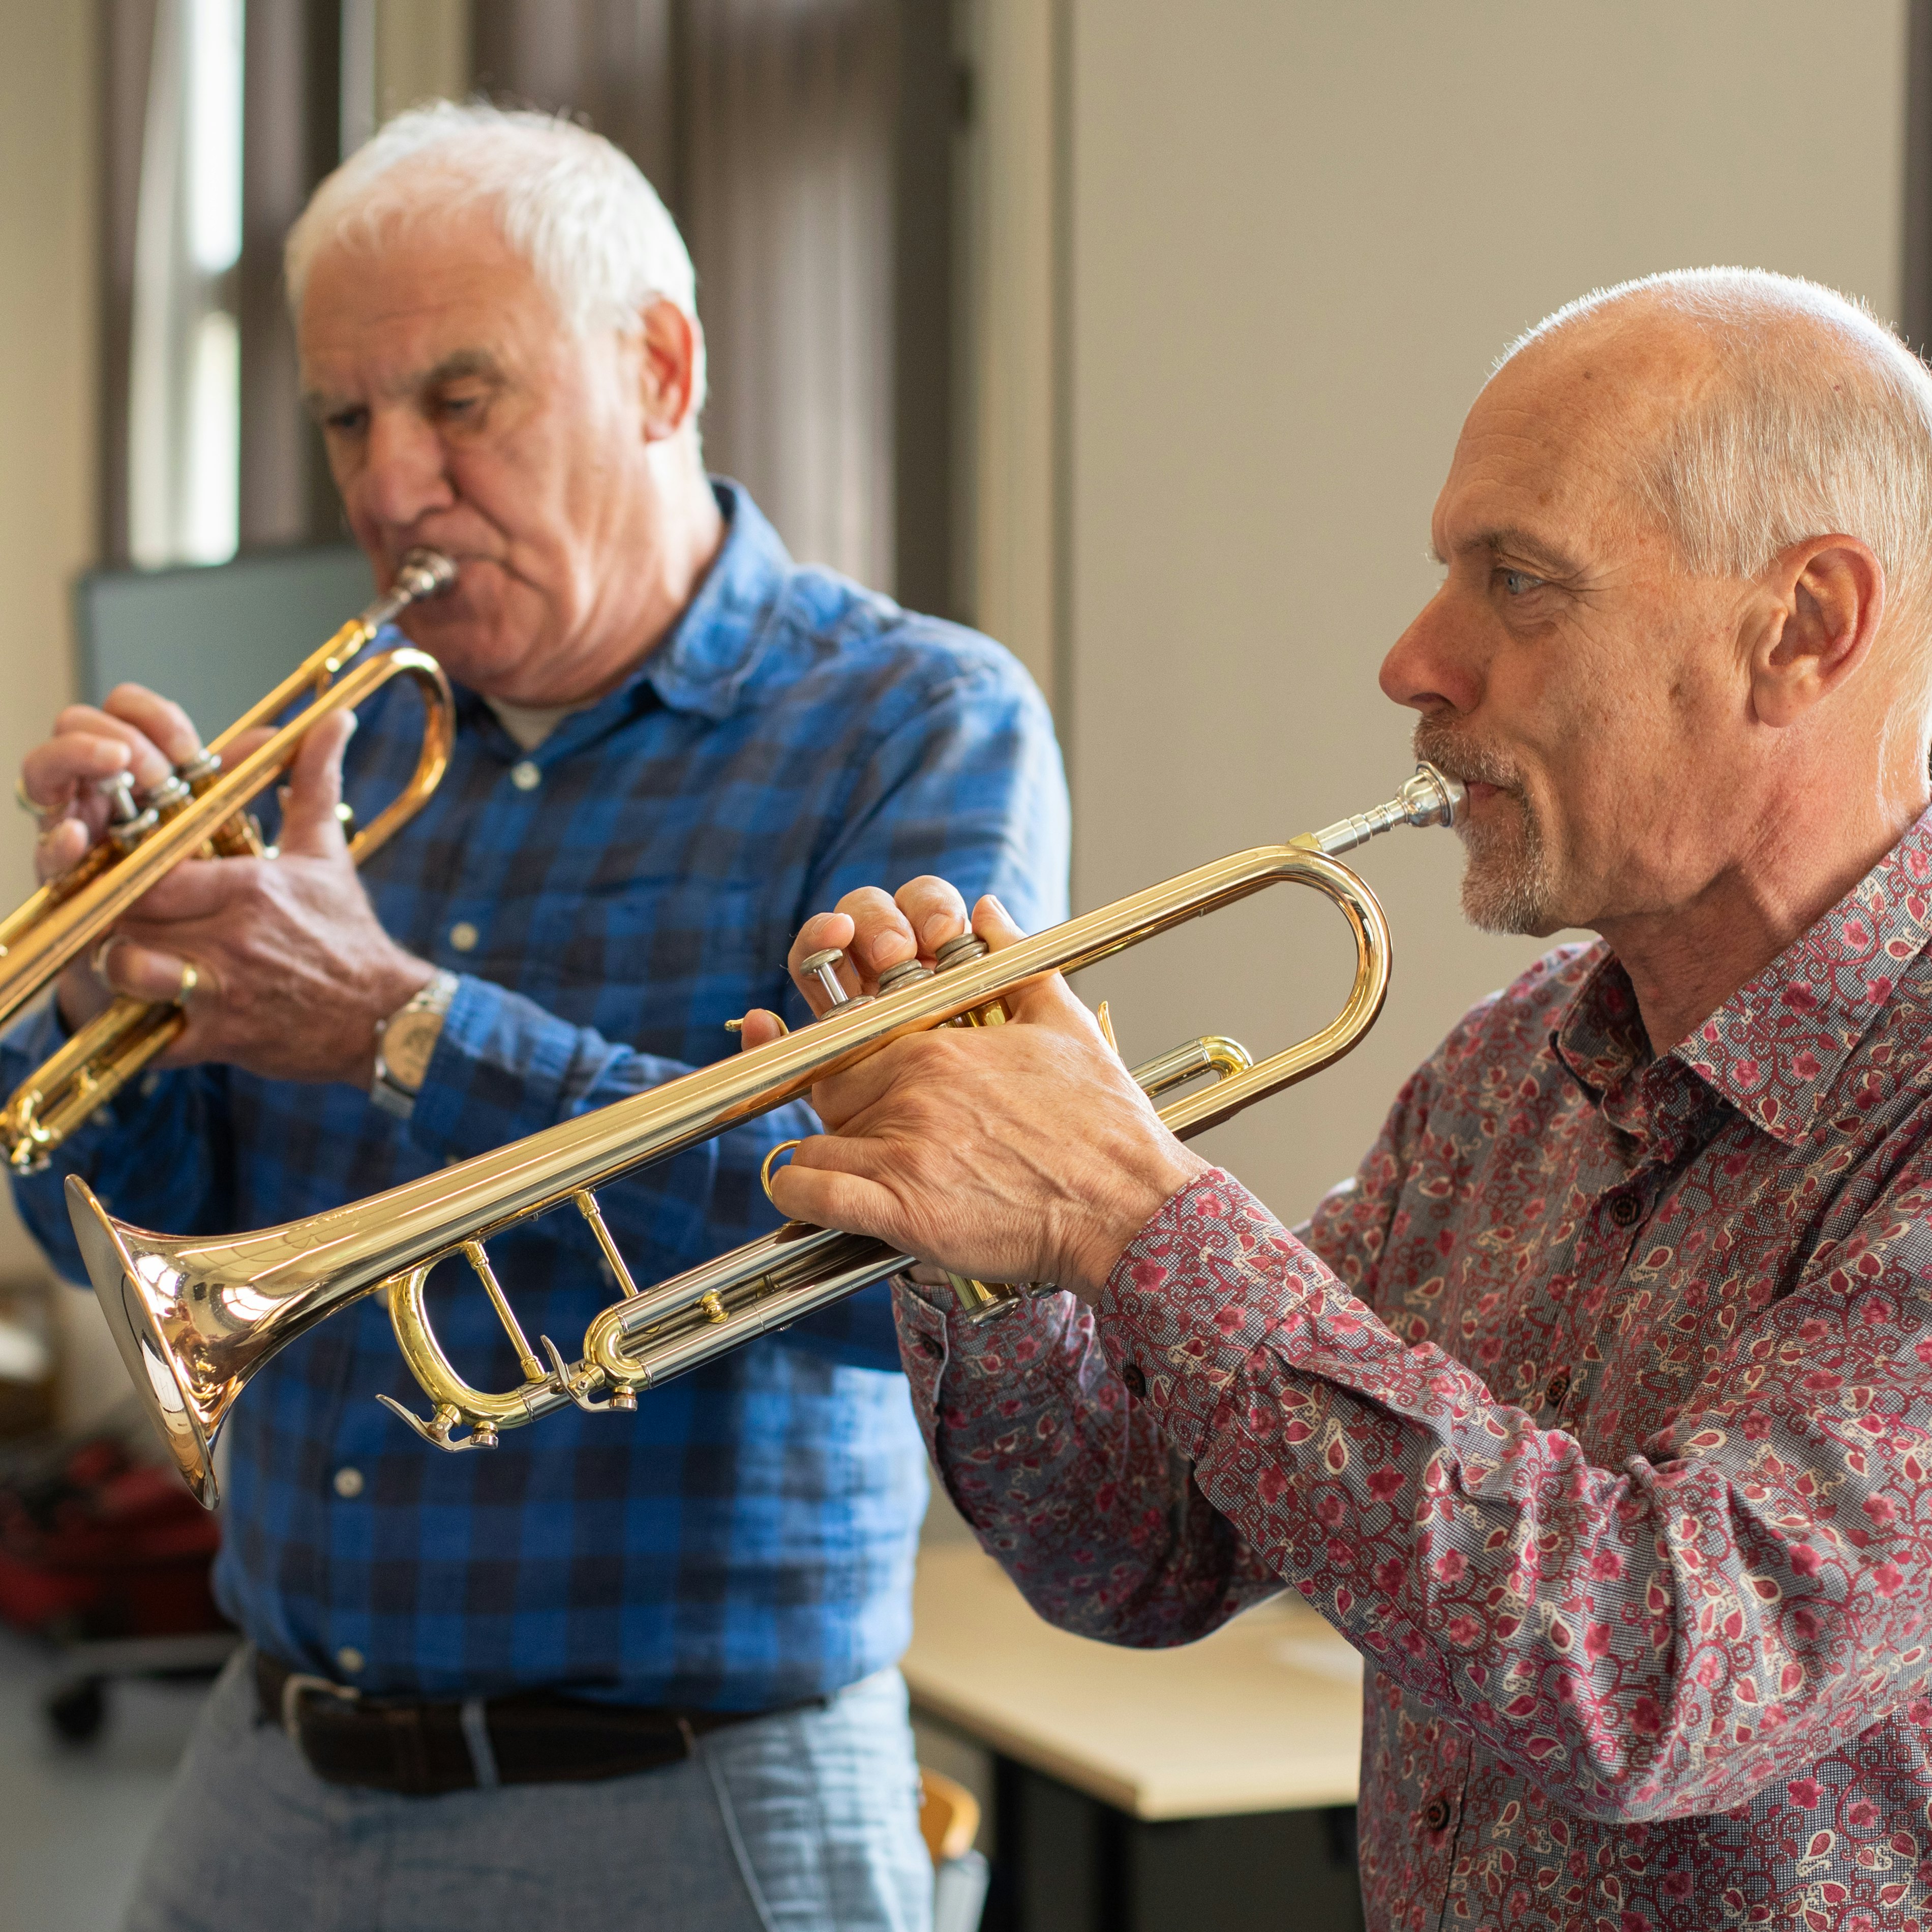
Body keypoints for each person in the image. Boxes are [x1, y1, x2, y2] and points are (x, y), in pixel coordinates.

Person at [750, 269, 1932, 1930]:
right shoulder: (1513, 1073)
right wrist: (990, 1248)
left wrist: (1139, 1216)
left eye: (1519, 583)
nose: (1414, 660)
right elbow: (1142, 1551)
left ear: (1804, 627)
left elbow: (1659, 1675)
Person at [6, 104, 1066, 1932]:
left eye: (460, 401)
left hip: (687, 1791)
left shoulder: (914, 723)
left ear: (659, 369)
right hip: (272, 1763)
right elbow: (140, 1246)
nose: (388, 484)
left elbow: (893, 1270)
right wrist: (112, 1021)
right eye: (348, 418)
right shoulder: (326, 755)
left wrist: (404, 1029)